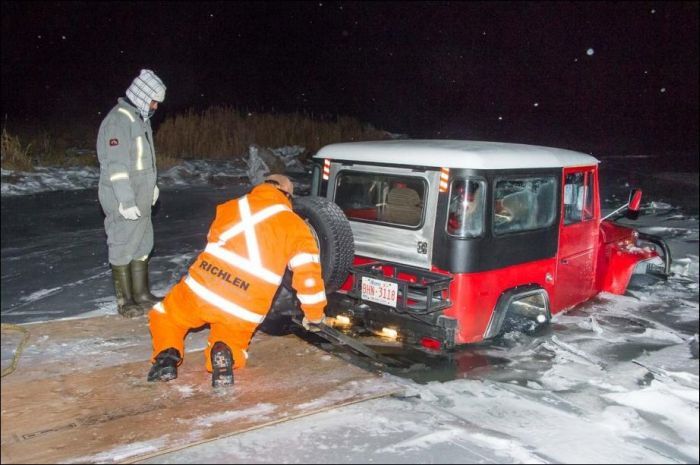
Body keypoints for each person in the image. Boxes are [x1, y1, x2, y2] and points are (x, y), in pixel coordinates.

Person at [146, 174, 327, 388]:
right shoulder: (297, 227)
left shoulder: (230, 207)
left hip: (203, 289)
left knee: (166, 317)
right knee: (232, 338)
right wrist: (314, 316)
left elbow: (213, 241)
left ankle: (167, 356)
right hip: (245, 304)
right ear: (287, 196)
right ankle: (225, 353)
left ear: (262, 187)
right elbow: (308, 278)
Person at [96, 69, 166, 318]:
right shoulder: (119, 121)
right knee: (123, 243)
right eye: (154, 100)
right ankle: (125, 300)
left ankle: (142, 294)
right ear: (142, 95)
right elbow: (116, 166)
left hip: (141, 193)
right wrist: (125, 200)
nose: (156, 105)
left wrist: (151, 186)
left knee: (143, 243)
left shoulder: (139, 119)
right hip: (122, 194)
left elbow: (143, 161)